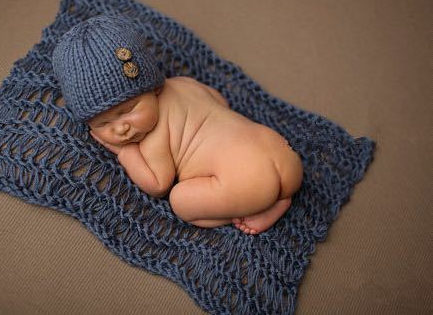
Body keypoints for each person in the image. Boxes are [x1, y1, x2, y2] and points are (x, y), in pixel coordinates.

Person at [52, 14, 303, 234]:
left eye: (128, 110)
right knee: (259, 166)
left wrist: (125, 152)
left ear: (154, 88)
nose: (120, 128)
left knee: (180, 201)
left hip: (249, 182)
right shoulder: (185, 84)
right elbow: (220, 101)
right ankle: (282, 196)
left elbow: (158, 184)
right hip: (280, 151)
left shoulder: (152, 137)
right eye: (103, 123)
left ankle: (250, 208)